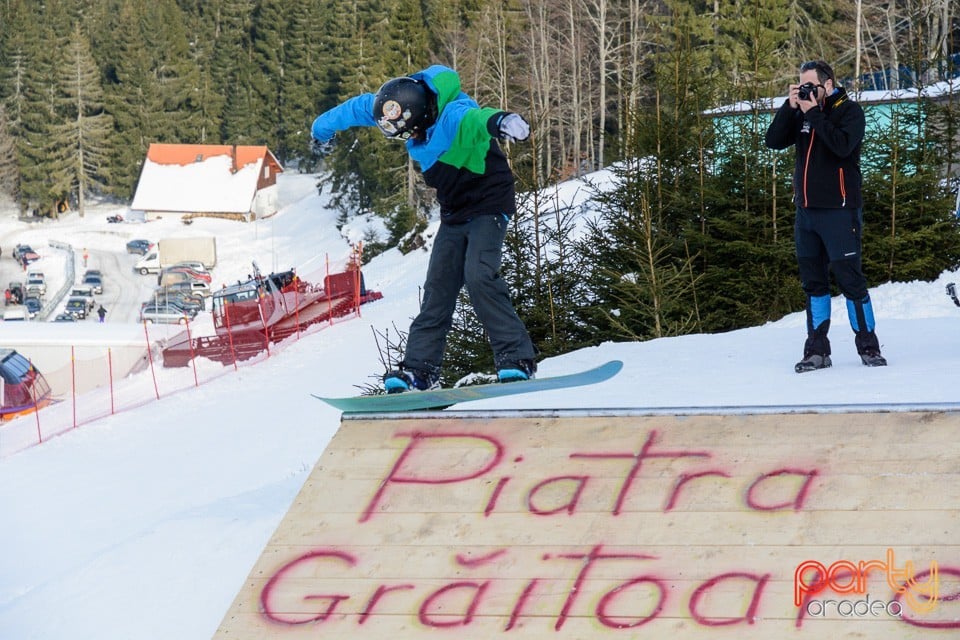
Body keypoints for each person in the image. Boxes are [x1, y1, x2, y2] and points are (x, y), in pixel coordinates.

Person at [311, 64, 537, 392]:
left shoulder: (453, 116)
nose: (412, 139)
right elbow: (352, 109)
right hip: (455, 213)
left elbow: (478, 118)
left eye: (412, 132)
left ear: (424, 116)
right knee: (437, 290)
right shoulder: (393, 105)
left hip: (489, 205)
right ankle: (420, 370)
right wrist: (321, 131)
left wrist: (501, 121)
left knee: (479, 275)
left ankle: (517, 359)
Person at [765, 60, 887, 373]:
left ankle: (869, 347)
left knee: (851, 281)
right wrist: (789, 107)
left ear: (828, 85)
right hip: (806, 213)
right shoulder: (803, 111)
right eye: (800, 85)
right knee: (813, 284)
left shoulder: (849, 112)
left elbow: (842, 146)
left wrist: (814, 114)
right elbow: (774, 141)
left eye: (811, 86)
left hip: (839, 211)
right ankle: (816, 350)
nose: (806, 90)